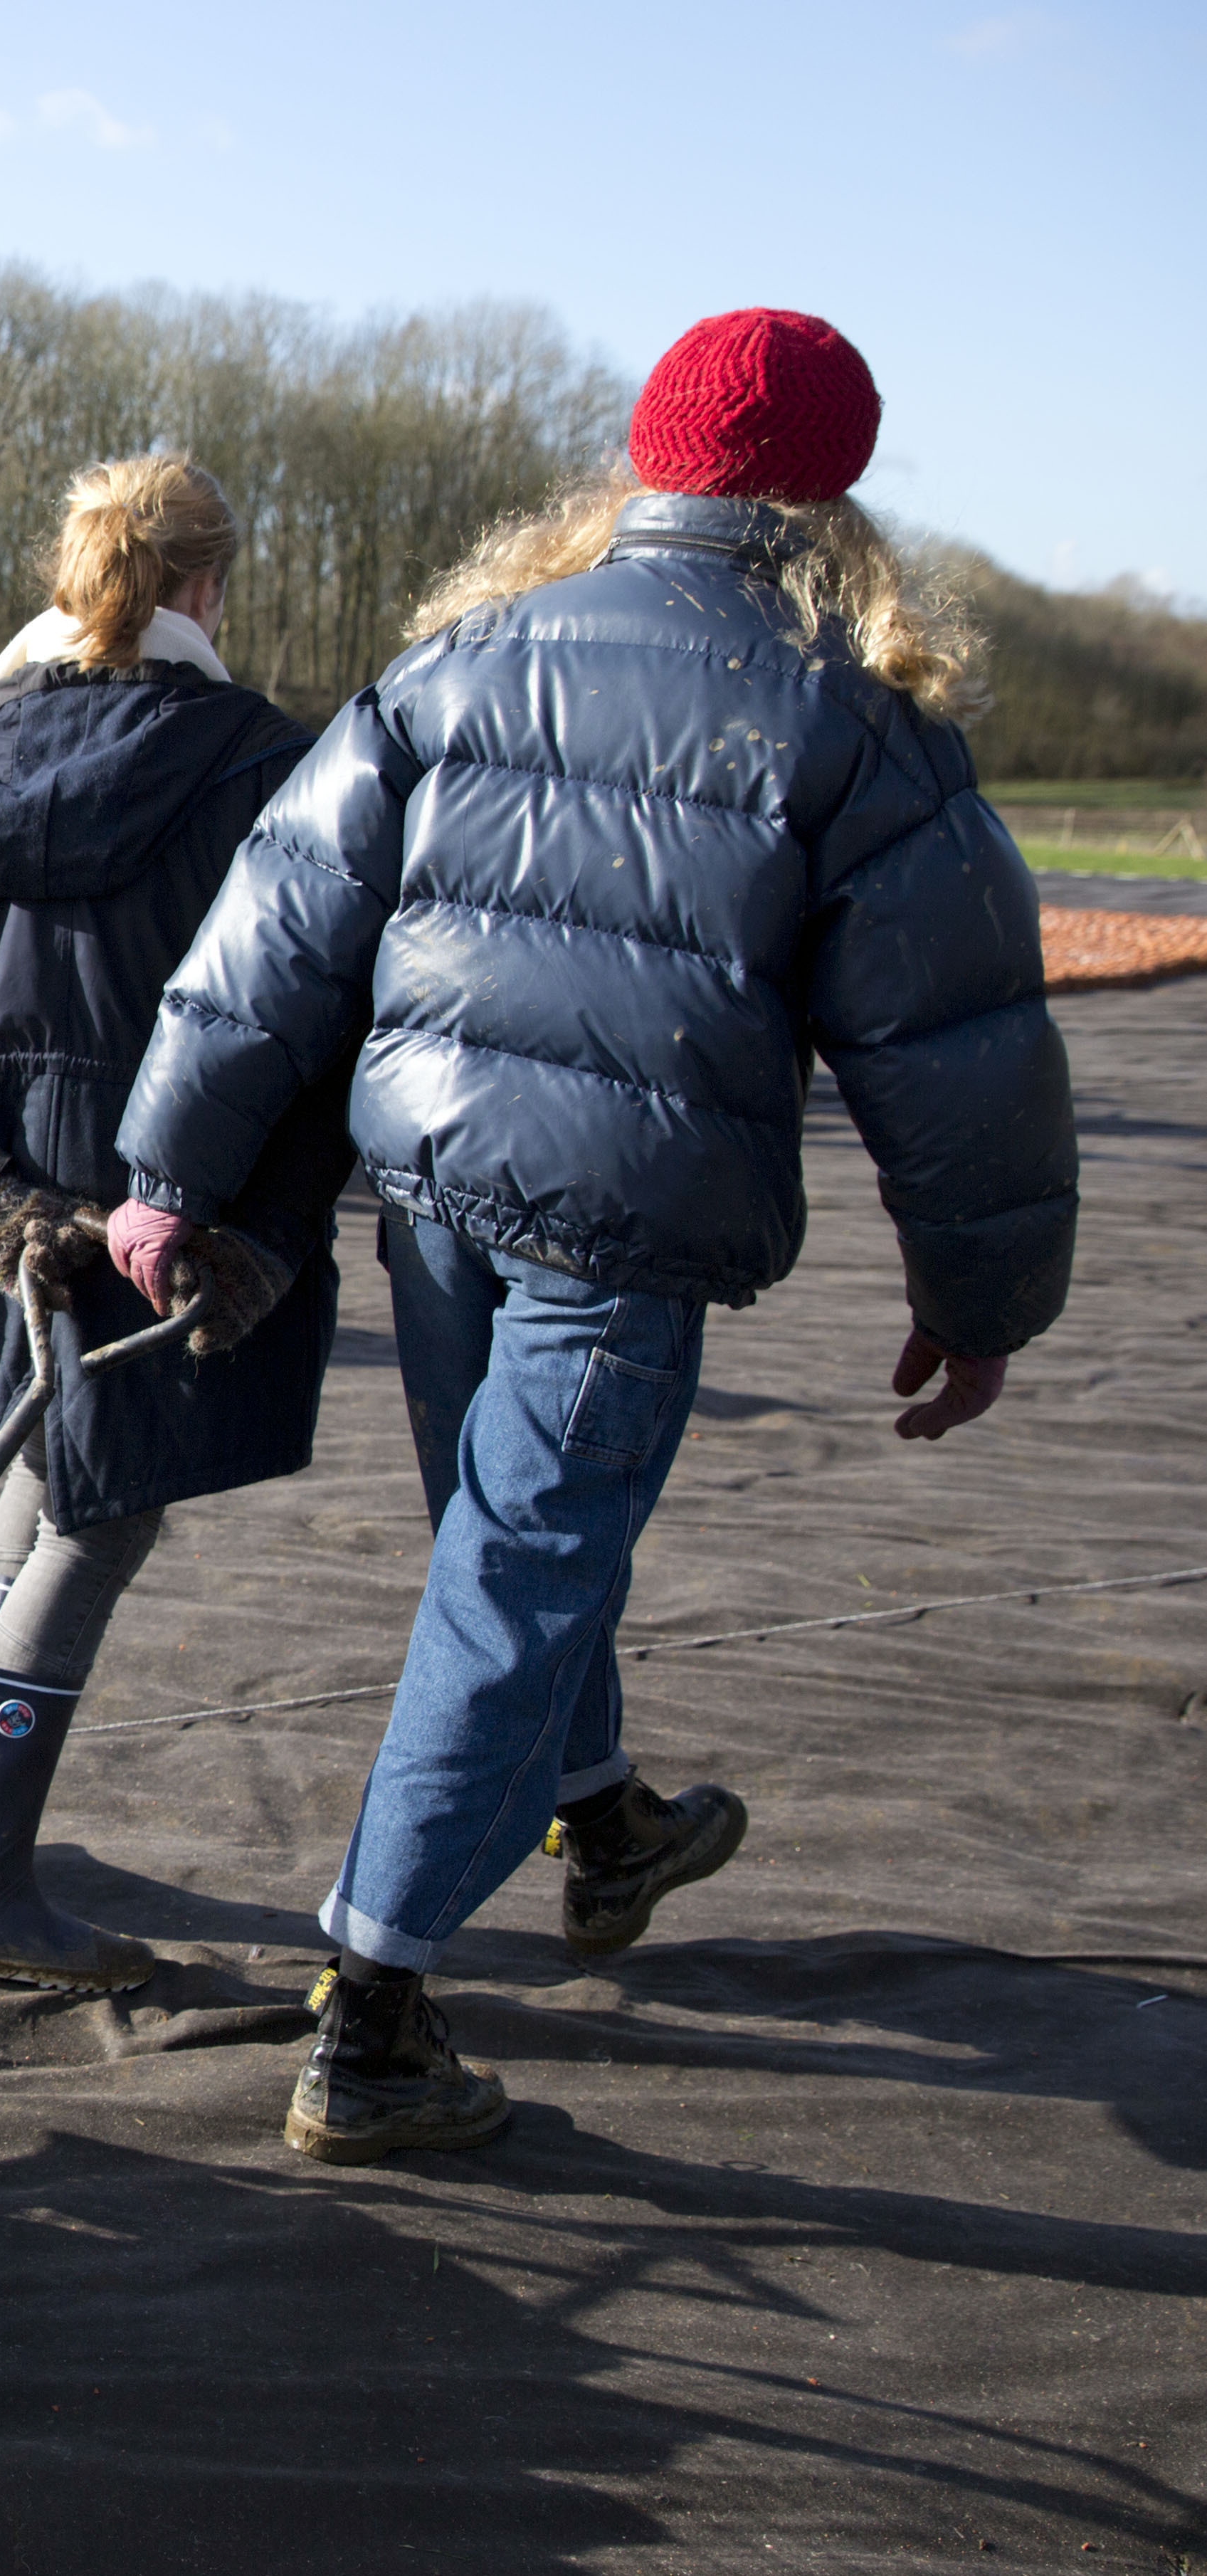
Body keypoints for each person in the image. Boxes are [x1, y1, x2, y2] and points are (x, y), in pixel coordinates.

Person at [110, 309, 1080, 2165]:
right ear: (833, 498)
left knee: (513, 1541)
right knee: (520, 1571)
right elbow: (957, 1055)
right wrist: (979, 1302)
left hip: (431, 1195)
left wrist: (166, 1166)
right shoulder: (855, 722)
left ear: (647, 465)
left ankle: (603, 1813)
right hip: (621, 1231)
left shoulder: (464, 657)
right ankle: (372, 2018)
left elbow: (273, 928)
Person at [0, 453, 332, 1995]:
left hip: (5, 1200)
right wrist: (267, 1226)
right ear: (204, 588)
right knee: (96, 1518)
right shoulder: (266, 766)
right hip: (159, 1200)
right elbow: (312, 1021)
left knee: (50, 1482)